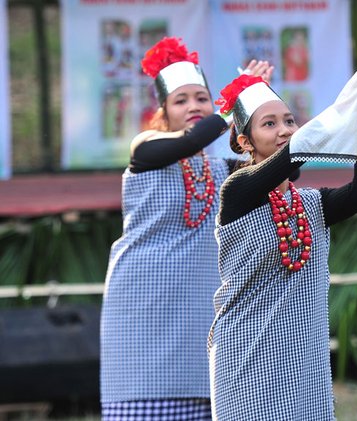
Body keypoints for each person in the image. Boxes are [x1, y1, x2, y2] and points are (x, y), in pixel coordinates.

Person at [208, 64, 357, 420]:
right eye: (269, 124)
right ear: (245, 142)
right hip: (246, 357)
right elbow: (297, 151)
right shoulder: (237, 191)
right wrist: (352, 103)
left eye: (288, 120)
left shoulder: (310, 203)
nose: (283, 130)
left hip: (302, 360)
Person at [100, 36, 273, 420]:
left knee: (207, 397)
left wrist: (262, 111)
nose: (194, 106)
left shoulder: (221, 170)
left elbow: (279, 171)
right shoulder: (145, 148)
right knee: (146, 397)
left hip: (200, 303)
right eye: (181, 100)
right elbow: (193, 139)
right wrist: (236, 99)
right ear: (162, 111)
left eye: (201, 98)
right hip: (144, 303)